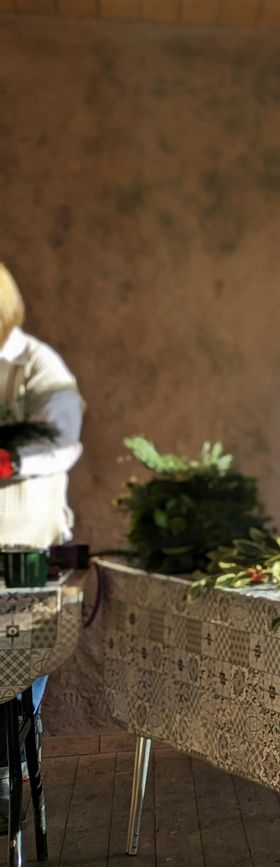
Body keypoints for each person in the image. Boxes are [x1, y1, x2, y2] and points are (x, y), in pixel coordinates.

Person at [0, 263, 85, 830]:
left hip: (24, 546)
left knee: (18, 665)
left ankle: (9, 776)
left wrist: (7, 459)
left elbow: (62, 443)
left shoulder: (37, 365)